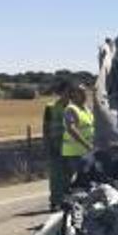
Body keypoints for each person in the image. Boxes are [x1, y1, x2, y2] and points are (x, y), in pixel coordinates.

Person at [61, 84, 95, 195]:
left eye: (85, 92)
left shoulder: (86, 109)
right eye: (80, 92)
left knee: (88, 179)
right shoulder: (71, 109)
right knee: (80, 180)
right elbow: (71, 129)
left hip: (87, 151)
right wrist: (86, 145)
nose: (84, 95)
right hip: (75, 152)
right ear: (73, 94)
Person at [42, 81, 71, 210]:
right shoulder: (50, 107)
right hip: (55, 144)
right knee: (56, 175)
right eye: (67, 91)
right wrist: (47, 144)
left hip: (72, 146)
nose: (69, 94)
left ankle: (68, 200)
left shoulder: (75, 107)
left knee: (69, 175)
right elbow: (46, 127)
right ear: (60, 92)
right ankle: (55, 201)